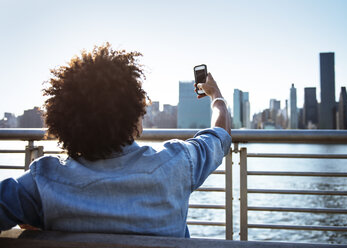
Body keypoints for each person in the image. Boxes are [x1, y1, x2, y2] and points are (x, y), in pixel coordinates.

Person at [0, 44, 231, 237]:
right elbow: (219, 136)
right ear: (132, 119)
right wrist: (216, 96)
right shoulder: (178, 162)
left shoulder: (43, 181)